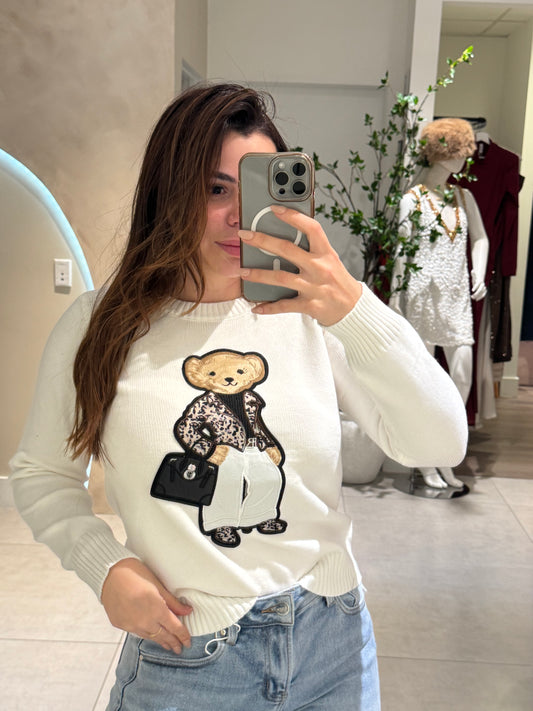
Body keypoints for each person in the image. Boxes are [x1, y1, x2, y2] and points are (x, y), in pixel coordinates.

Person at [10, 83, 468, 711]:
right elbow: (42, 474)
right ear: (169, 193)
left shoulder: (316, 317)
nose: (239, 216)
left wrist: (356, 309)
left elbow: (439, 443)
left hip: (333, 643)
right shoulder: (102, 326)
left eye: (257, 191)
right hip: (187, 658)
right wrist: (104, 566)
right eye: (215, 189)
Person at [391, 118, 489, 489]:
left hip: (457, 297)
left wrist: (478, 271)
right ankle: (425, 459)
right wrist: (396, 300)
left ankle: (444, 452)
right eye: (459, 152)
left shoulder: (464, 198)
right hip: (422, 297)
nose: (465, 159)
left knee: (462, 376)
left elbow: (480, 239)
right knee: (424, 383)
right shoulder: (411, 200)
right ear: (440, 153)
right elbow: (401, 254)